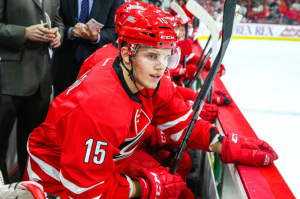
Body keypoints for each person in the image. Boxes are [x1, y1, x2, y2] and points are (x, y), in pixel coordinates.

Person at [24, 9, 278, 199]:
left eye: (168, 55)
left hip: (105, 165)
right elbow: (86, 190)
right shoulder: (99, 108)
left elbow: (180, 122)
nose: (161, 66)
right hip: (56, 185)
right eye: (152, 55)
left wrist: (221, 143)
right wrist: (146, 187)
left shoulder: (149, 78)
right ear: (126, 53)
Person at [0, 0, 64, 183]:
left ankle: (26, 189)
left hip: (41, 79)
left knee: (32, 147)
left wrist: (58, 35)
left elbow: (57, 21)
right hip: (8, 78)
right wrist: (24, 33)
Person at [51, 0, 122, 97]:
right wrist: (70, 31)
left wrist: (97, 37)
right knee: (59, 108)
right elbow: (55, 23)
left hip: (96, 68)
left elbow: (114, 30)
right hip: (64, 65)